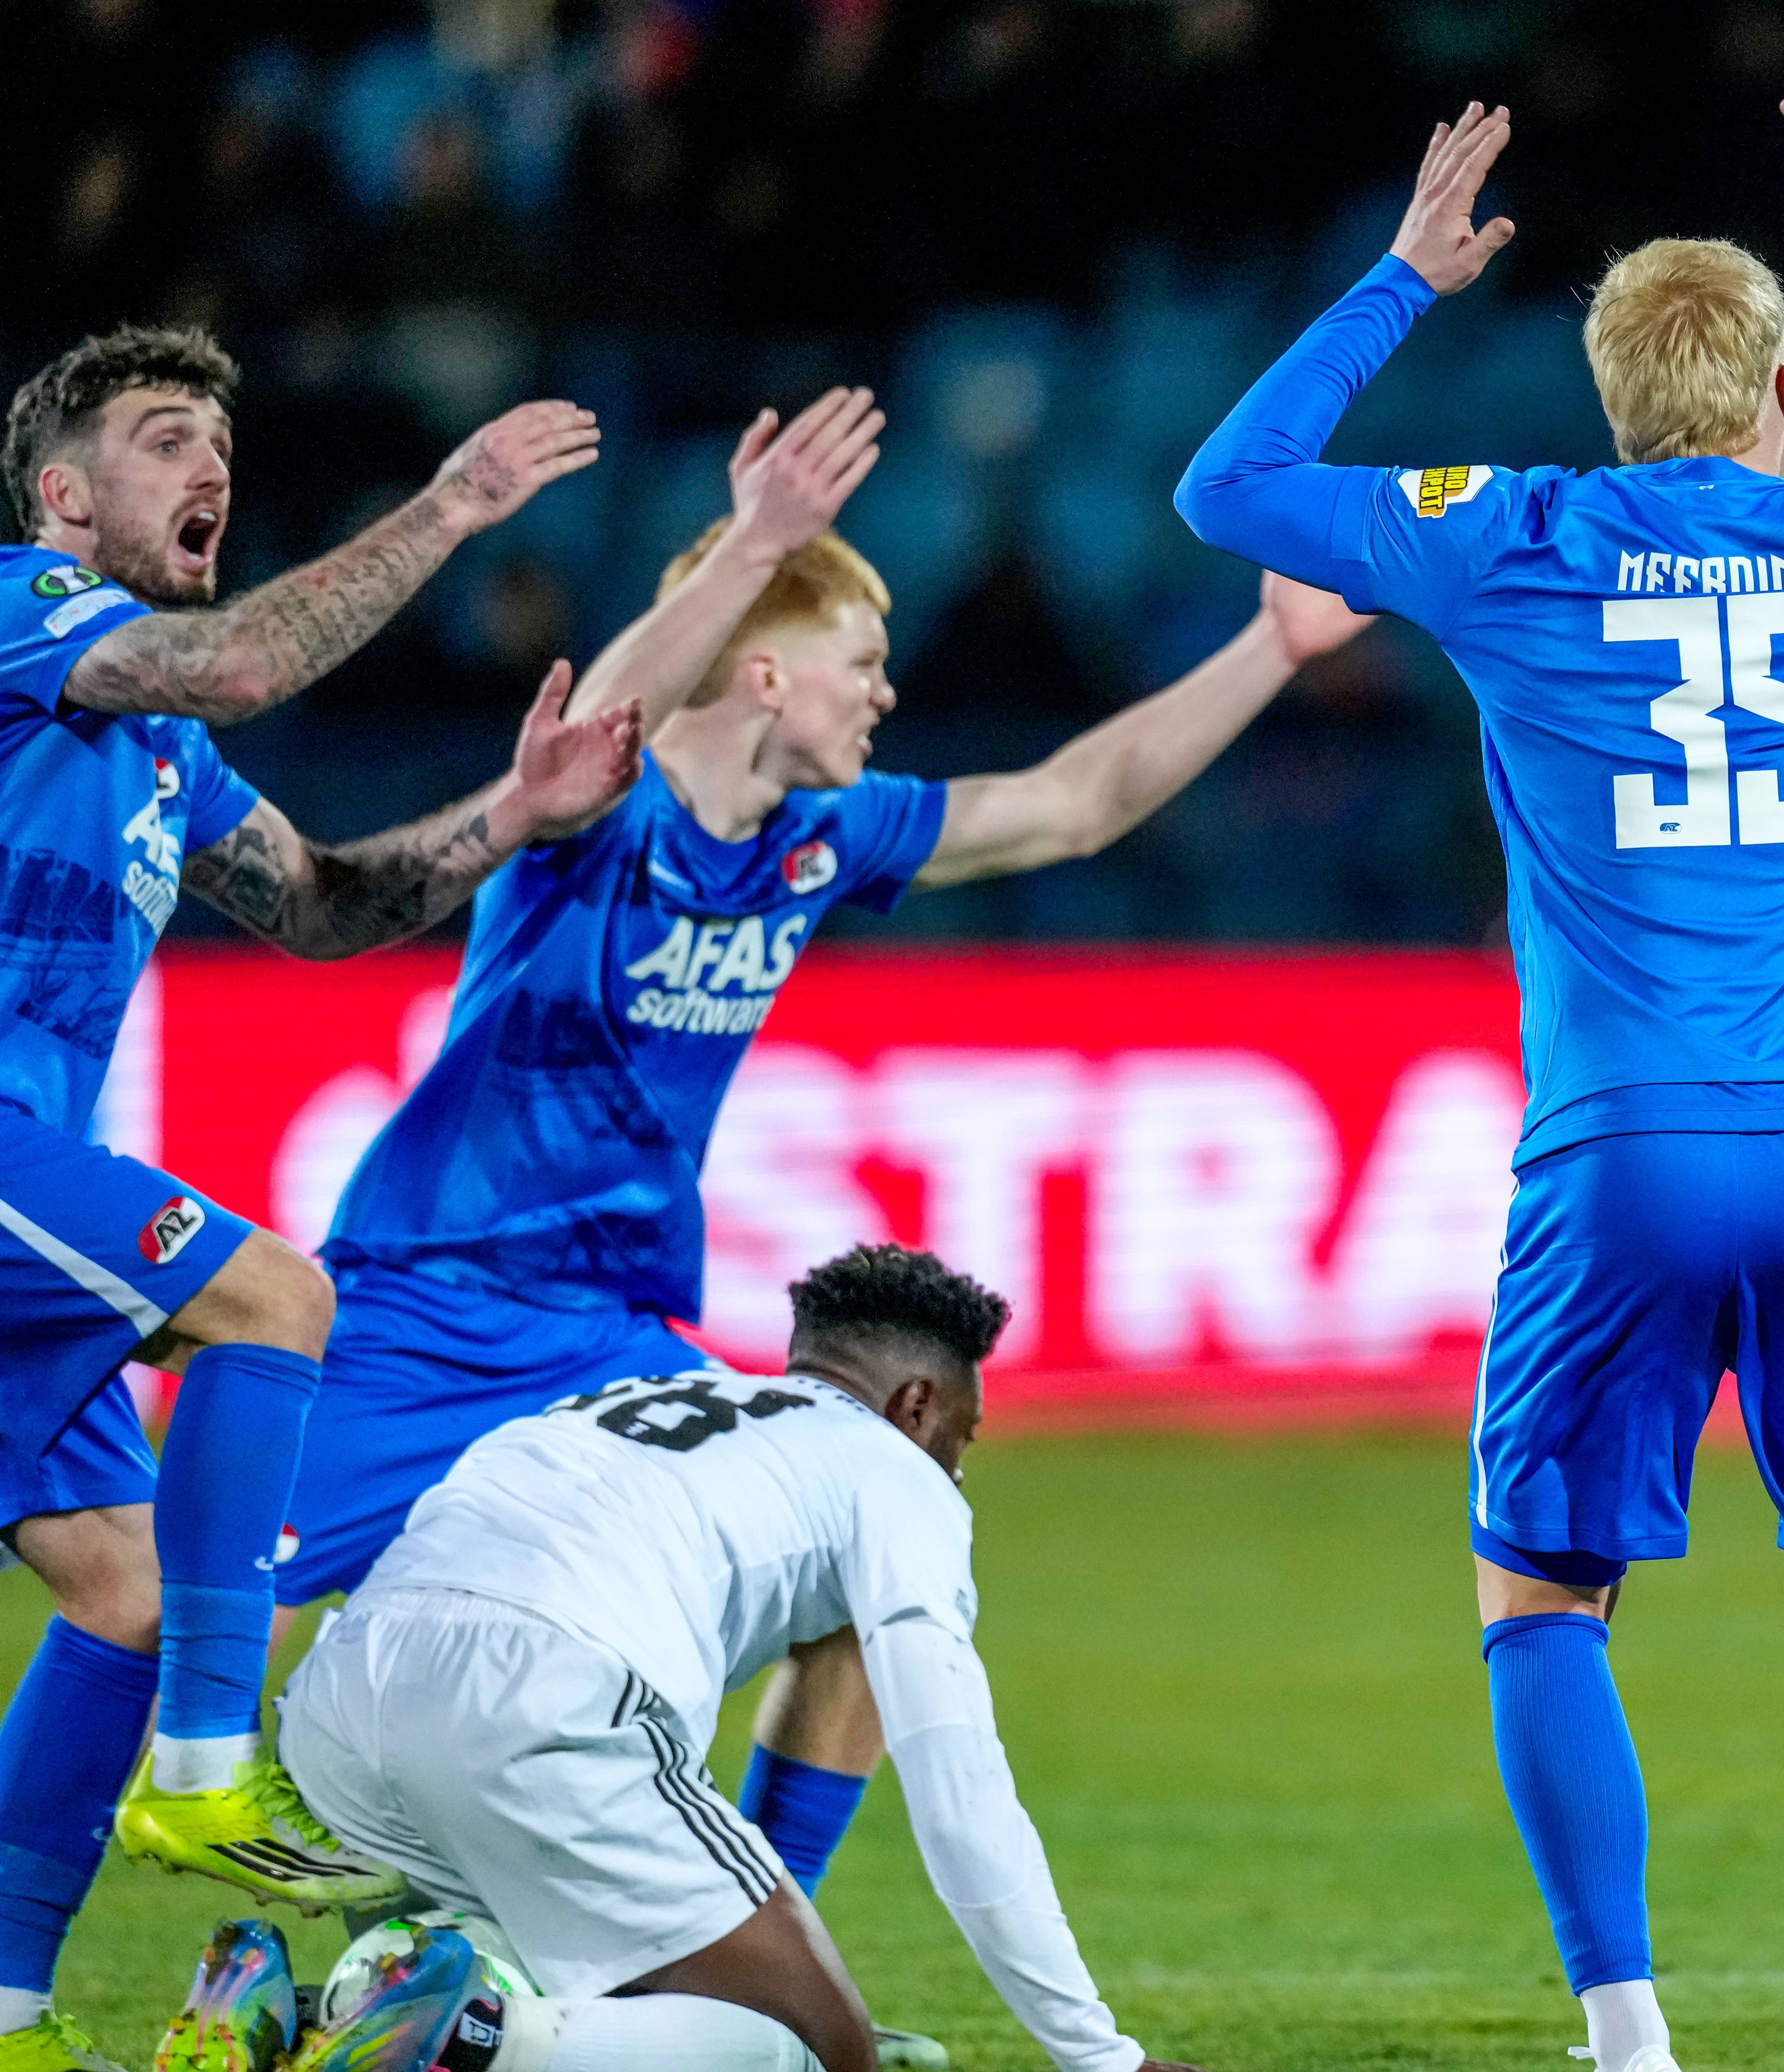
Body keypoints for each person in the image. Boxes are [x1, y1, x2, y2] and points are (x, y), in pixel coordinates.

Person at [1176, 98, 1784, 2072]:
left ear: (1612, 400)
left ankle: (1628, 2037)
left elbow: (1233, 486)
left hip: (1615, 1155)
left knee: (1539, 1603)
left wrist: (1402, 275)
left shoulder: (1513, 534)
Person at [266, 388, 1371, 1967]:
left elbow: (1071, 803)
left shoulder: (822, 834)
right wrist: (758, 546)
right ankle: (40, 1973)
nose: (890, 690)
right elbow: (623, 701)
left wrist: (1269, 646)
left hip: (616, 1330)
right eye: (863, 661)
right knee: (170, 1611)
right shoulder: (599, 805)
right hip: (426, 1298)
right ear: (769, 674)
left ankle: (774, 1957)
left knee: (877, 1535)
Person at [0, 322, 635, 2072]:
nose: (208, 466)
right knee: (274, 1293)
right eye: (158, 439)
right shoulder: (18, 611)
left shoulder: (153, 756)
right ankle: (206, 1772)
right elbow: (237, 660)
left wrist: (514, 808)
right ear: (61, 495)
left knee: (126, 1588)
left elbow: (332, 905)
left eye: (219, 437)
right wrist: (452, 504)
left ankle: (6, 2013)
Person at [272, 1243, 1198, 2072]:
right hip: (542, 1695)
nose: (956, 1467)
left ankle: (289, 2018)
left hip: (340, 1706)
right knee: (818, 2053)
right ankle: (473, 2037)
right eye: (964, 1436)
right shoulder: (898, 1472)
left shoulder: (644, 1400)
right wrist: (1100, 2056)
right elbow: (960, 1787)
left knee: (559, 2002)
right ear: (917, 1405)